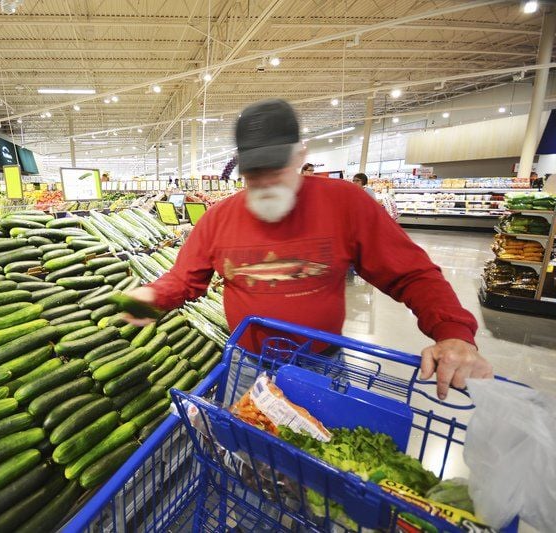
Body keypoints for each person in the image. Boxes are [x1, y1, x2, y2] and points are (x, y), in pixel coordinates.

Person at [124, 98, 492, 400]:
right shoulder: (219, 218)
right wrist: (151, 296)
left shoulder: (346, 203)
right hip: (246, 365)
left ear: (300, 155)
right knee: (246, 463)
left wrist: (453, 332)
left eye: (276, 170)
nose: (266, 183)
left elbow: (411, 274)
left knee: (316, 467)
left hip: (322, 364)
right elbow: (185, 279)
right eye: (255, 175)